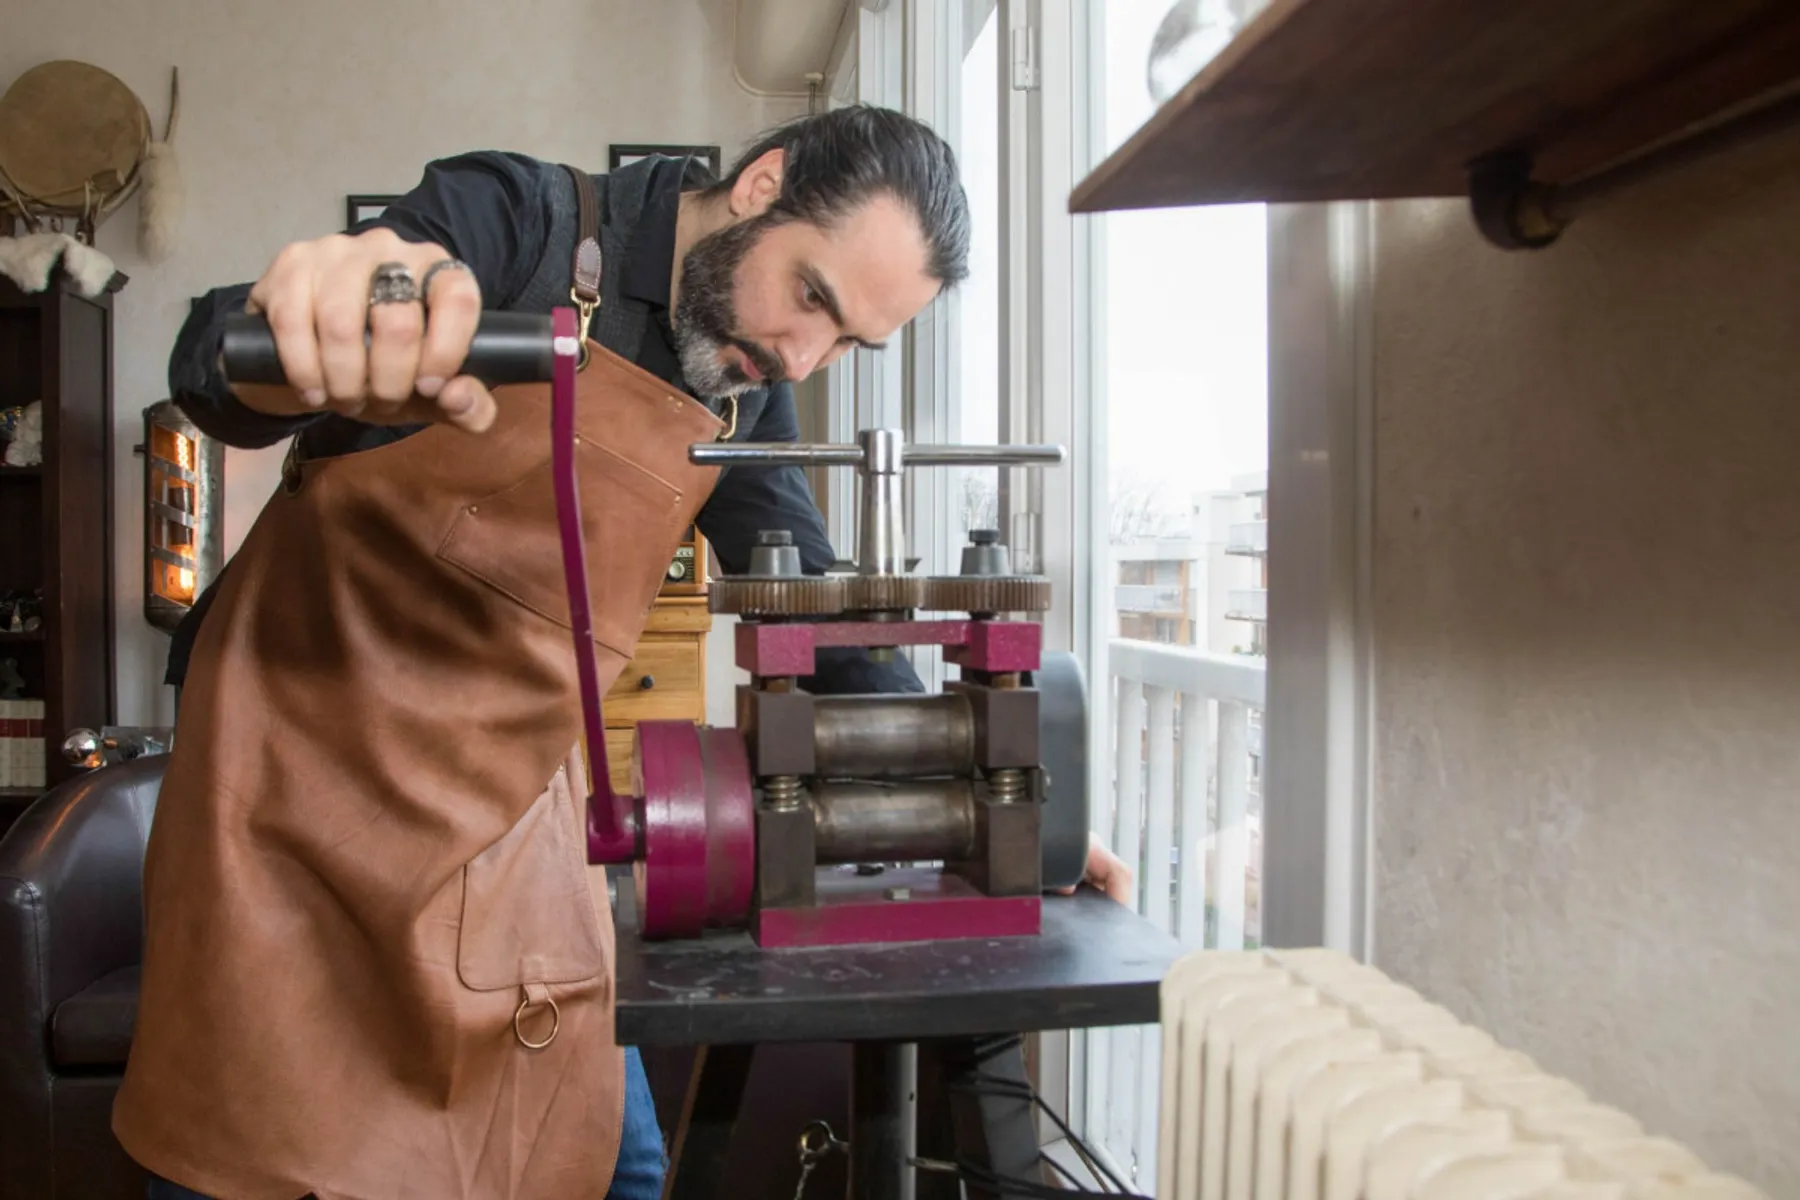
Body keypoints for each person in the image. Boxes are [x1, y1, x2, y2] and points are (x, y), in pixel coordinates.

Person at [125, 104, 1132, 1200]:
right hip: (288, 789)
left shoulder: (745, 391)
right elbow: (216, 364)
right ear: (763, 185)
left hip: (500, 804)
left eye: (848, 342)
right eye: (811, 296)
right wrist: (322, 324)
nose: (804, 353)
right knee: (242, 1148)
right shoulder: (520, 221)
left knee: (616, 1169)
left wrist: (1001, 801)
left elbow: (815, 606)